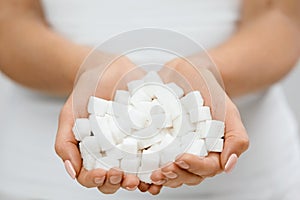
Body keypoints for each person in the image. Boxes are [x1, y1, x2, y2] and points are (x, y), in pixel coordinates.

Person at [0, 0, 299, 199]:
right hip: (41, 184)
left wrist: (205, 71)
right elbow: (9, 22)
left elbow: (284, 18)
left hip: (250, 185)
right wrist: (91, 69)